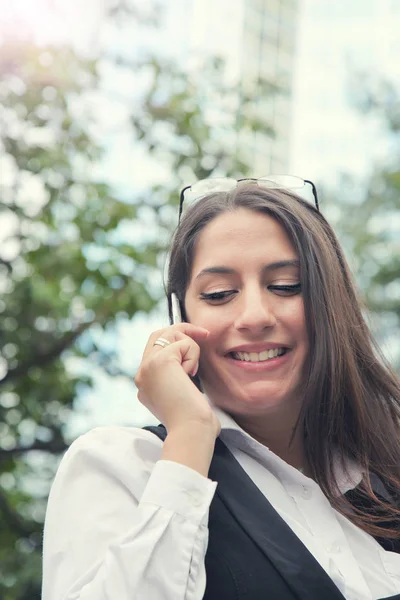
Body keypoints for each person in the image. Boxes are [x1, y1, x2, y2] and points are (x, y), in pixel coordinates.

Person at [42, 177, 400, 600]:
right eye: (219, 294)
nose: (253, 316)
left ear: (331, 304)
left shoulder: (385, 467)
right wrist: (190, 434)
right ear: (180, 315)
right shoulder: (123, 466)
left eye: (286, 286)